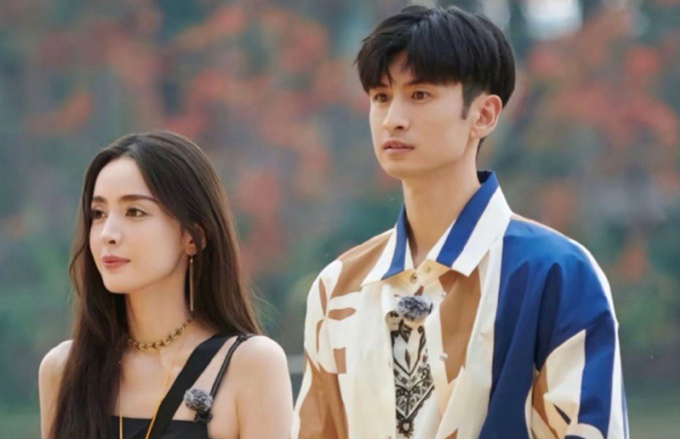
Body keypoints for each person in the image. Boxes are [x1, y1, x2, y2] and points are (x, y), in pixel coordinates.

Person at [293, 5, 628, 439]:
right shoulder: (339, 287)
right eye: (380, 97)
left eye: (420, 95)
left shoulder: (555, 274)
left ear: (484, 115)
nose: (393, 118)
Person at [39, 131, 293, 439]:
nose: (108, 234)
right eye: (98, 214)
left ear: (193, 237)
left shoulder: (249, 365)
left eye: (134, 212)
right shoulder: (64, 369)